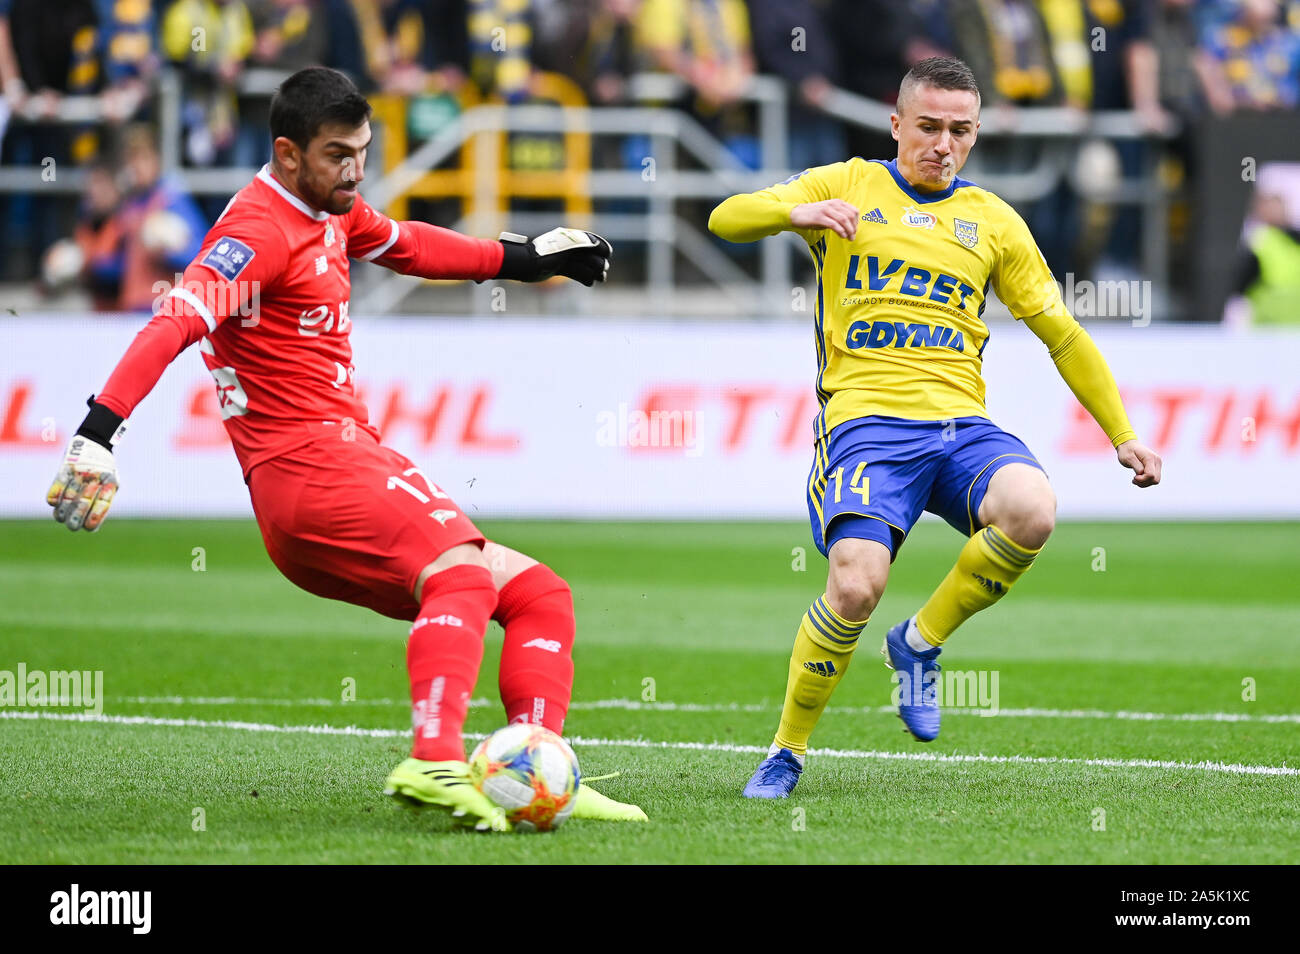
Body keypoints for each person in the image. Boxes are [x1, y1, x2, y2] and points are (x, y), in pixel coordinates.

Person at [45, 66, 644, 831]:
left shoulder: (331, 208)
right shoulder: (256, 232)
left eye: (362, 150)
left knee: (538, 594)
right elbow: (174, 324)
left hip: (349, 455)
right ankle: (433, 761)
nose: (354, 169)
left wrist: (527, 258)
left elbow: (410, 245)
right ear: (288, 153)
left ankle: (537, 770)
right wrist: (99, 432)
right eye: (337, 154)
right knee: (460, 575)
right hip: (306, 471)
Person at [708, 56, 1162, 798]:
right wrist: (796, 212)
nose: (942, 144)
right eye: (927, 127)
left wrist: (1123, 433)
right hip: (867, 426)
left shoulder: (992, 221)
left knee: (1033, 508)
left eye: (959, 130)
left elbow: (1065, 337)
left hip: (960, 426)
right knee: (856, 585)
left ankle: (917, 646)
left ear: (976, 135)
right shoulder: (845, 184)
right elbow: (725, 217)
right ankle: (786, 751)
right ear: (896, 124)